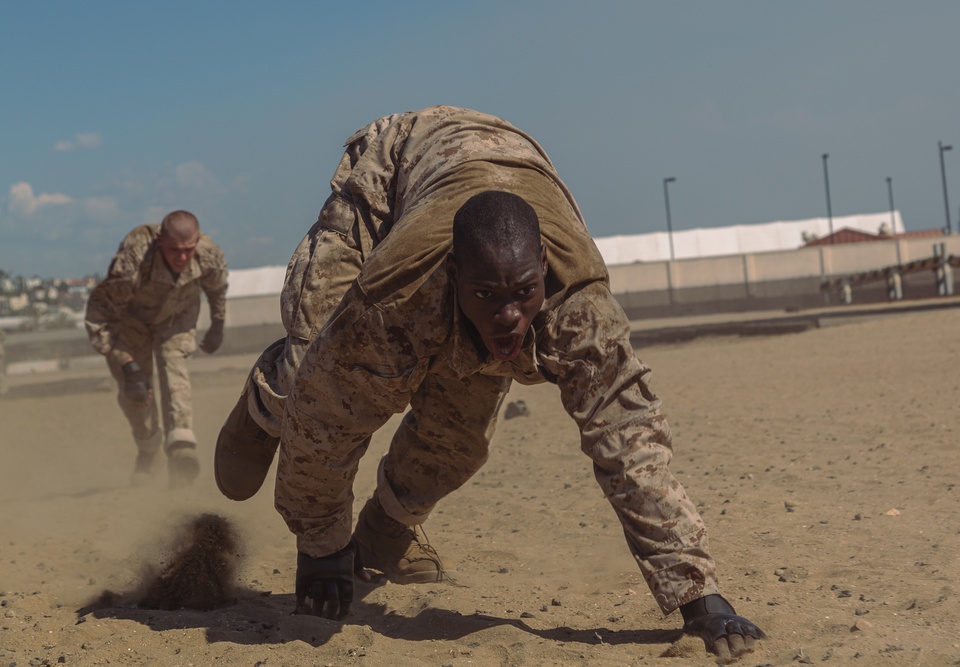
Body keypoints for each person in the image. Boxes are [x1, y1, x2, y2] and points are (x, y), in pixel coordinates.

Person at [214, 106, 764, 660]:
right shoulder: (394, 298)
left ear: (543, 269)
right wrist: (322, 549)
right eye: (487, 298)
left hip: (506, 164)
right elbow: (329, 417)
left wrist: (700, 597)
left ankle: (386, 529)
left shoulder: (580, 309)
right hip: (393, 172)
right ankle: (265, 401)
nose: (507, 316)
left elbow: (631, 446)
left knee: (457, 441)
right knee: (314, 355)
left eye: (523, 293)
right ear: (454, 276)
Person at [86, 210, 228, 488]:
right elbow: (100, 316)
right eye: (175, 250)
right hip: (130, 322)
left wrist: (217, 324)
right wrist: (125, 361)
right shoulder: (133, 258)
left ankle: (181, 446)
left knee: (173, 365)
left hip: (177, 316)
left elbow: (217, 288)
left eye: (188, 250)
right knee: (136, 391)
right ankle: (148, 448)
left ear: (197, 240)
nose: (182, 258)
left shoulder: (208, 253)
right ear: (160, 240)